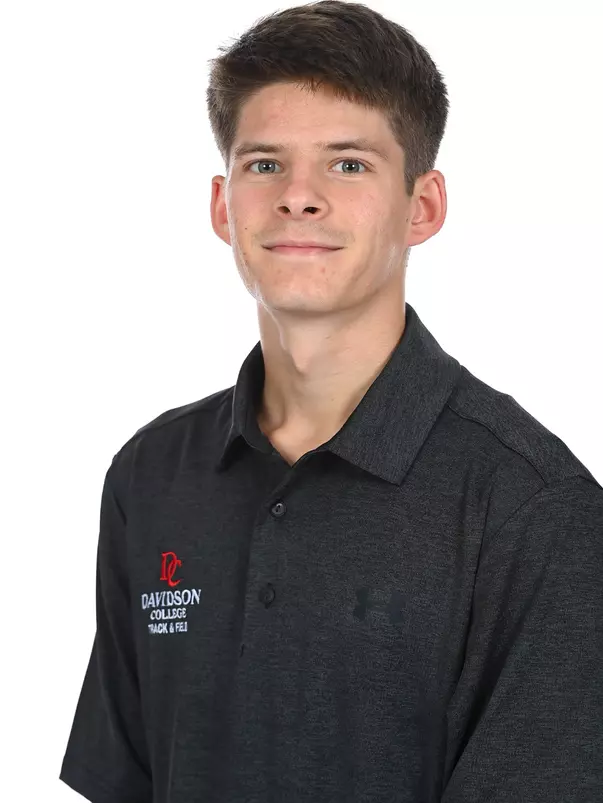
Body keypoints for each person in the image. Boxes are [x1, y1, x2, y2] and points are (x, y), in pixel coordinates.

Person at [59, 2, 603, 802]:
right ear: (222, 204)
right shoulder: (150, 476)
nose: (298, 197)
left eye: (347, 165)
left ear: (422, 207)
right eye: (264, 164)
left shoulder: (533, 508)